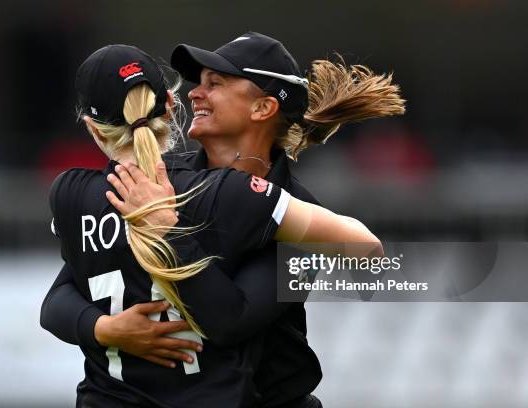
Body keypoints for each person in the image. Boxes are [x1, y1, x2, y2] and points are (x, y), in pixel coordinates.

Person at [42, 33, 404, 407]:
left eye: (214, 84)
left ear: (262, 109)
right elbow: (61, 295)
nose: (194, 94)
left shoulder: (294, 218)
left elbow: (231, 322)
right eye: (198, 83)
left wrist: (169, 230)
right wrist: (105, 328)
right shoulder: (155, 182)